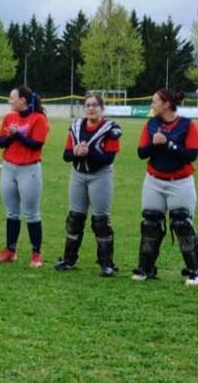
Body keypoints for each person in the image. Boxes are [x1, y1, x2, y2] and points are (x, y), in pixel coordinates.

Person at [134, 89, 198, 286]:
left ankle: (194, 271)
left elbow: (191, 155)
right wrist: (154, 145)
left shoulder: (188, 125)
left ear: (166, 104)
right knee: (150, 224)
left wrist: (168, 144)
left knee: (182, 224)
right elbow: (141, 153)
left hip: (180, 182)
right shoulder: (151, 125)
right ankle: (145, 268)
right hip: (154, 181)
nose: (151, 105)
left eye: (154, 101)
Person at [57, 93, 122, 276]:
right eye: (88, 105)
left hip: (99, 175)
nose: (91, 108)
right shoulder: (77, 126)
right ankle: (69, 259)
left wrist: (87, 153)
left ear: (102, 108)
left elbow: (108, 159)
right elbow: (66, 155)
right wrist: (76, 153)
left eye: (95, 105)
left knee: (101, 221)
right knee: (74, 219)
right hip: (78, 174)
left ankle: (106, 262)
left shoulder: (110, 128)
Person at [0, 85, 50, 267]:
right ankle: (10, 250)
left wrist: (17, 134)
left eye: (12, 98)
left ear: (23, 100)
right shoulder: (9, 117)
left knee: (31, 213)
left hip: (29, 168)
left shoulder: (38, 119)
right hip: (9, 167)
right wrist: (11, 136)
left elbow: (36, 145)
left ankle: (36, 253)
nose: (9, 101)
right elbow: (1, 142)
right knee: (11, 212)